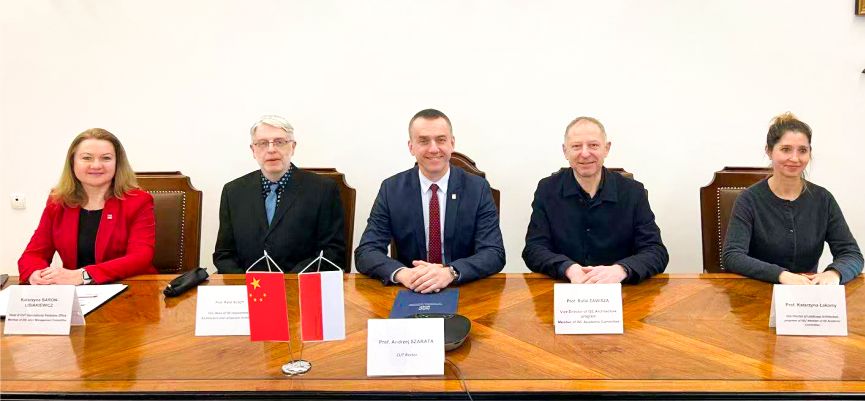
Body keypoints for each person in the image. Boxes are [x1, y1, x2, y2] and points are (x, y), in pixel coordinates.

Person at [355, 109, 505, 293]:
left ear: (452, 143)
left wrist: (450, 272)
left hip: (464, 289)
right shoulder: (391, 189)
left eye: (441, 140)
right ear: (411, 147)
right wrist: (403, 274)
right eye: (424, 141)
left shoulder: (477, 188)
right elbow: (366, 251)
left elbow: (493, 253)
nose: (433, 149)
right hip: (411, 287)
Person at [522, 117, 668, 284]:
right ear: (565, 151)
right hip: (565, 287)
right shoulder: (547, 189)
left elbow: (655, 252)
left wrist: (620, 270)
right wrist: (568, 269)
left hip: (621, 290)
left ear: (606, 149)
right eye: (576, 146)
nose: (585, 154)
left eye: (593, 145)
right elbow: (533, 249)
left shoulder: (633, 192)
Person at [722, 112, 863, 285]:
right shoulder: (748, 200)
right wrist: (781, 275)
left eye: (802, 150)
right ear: (769, 151)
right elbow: (732, 256)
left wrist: (834, 273)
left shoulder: (823, 199)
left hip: (808, 294)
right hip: (759, 291)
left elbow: (852, 254)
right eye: (786, 149)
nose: (795, 158)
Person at [18, 128, 156, 285]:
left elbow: (140, 258)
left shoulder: (138, 201)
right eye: (87, 158)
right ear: (73, 162)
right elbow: (33, 255)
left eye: (106, 158)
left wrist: (83, 275)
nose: (96, 165)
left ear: (117, 163)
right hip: (76, 295)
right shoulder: (58, 202)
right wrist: (35, 274)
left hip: (131, 288)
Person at [214, 115, 346, 273]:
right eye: (262, 143)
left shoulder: (323, 190)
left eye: (279, 142)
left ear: (293, 147)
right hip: (248, 285)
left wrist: (287, 283)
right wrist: (247, 284)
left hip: (299, 284)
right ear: (253, 150)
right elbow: (225, 254)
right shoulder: (233, 192)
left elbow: (332, 253)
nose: (271, 149)